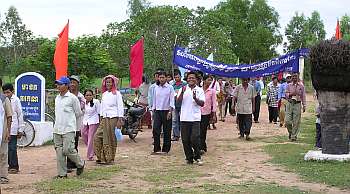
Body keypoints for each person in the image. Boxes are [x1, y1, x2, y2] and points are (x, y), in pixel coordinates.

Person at [53, 76, 85, 178]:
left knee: (68, 150)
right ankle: (62, 174)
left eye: (60, 84)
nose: (58, 86)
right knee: (59, 152)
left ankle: (80, 163)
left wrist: (70, 121)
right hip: (57, 128)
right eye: (57, 84)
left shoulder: (72, 98)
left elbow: (78, 113)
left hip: (69, 129)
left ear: (66, 86)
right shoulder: (57, 98)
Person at [94, 75, 124, 164]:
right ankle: (101, 156)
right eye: (107, 82)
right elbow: (102, 107)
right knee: (97, 137)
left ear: (113, 83)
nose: (108, 84)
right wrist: (101, 117)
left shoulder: (117, 94)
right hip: (104, 118)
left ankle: (109, 158)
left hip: (113, 117)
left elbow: (120, 106)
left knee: (110, 138)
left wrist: (120, 119)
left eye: (110, 82)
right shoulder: (104, 94)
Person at [177, 71, 205, 165]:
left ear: (196, 80)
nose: (191, 79)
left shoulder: (200, 90)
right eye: (189, 78)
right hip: (184, 118)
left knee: (194, 138)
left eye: (193, 78)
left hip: (195, 118)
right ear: (186, 79)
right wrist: (182, 93)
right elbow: (178, 102)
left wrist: (195, 98)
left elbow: (202, 103)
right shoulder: (183, 88)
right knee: (185, 140)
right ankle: (189, 158)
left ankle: (197, 156)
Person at [2, 83, 24, 174]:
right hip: (4, 128)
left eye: (8, 92)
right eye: (4, 93)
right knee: (5, 148)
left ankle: (14, 166)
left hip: (14, 128)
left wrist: (21, 129)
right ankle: (6, 165)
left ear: (12, 91)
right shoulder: (2, 100)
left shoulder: (16, 100)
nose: (6, 94)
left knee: (12, 148)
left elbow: (20, 114)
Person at [151, 71, 175, 154]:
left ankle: (166, 149)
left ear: (166, 78)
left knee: (167, 130)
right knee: (155, 129)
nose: (161, 79)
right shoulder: (156, 87)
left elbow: (172, 100)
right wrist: (153, 110)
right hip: (157, 111)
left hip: (166, 111)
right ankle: (156, 148)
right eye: (160, 77)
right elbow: (154, 99)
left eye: (163, 77)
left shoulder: (170, 88)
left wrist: (170, 111)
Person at [285, 73, 306, 141]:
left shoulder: (301, 86)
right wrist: (291, 94)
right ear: (291, 78)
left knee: (296, 121)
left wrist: (304, 105)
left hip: (297, 104)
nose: (294, 78)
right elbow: (286, 94)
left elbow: (303, 96)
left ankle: (294, 136)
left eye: (295, 76)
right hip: (290, 103)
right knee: (287, 121)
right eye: (293, 76)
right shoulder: (288, 85)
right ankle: (291, 133)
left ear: (297, 77)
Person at [0, 78, 13, 184]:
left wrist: (8, 131)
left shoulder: (4, 99)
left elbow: (9, 116)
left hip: (2, 131)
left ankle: (3, 176)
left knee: (3, 154)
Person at [82, 89, 100, 161]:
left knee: (90, 138)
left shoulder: (96, 102)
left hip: (94, 121)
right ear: (84, 96)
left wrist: (100, 122)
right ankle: (92, 149)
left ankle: (90, 155)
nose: (88, 96)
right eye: (87, 95)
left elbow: (99, 112)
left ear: (93, 96)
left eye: (90, 95)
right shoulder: (83, 103)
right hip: (85, 121)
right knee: (83, 134)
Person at [200, 75, 216, 154]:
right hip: (197, 113)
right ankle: (199, 146)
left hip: (206, 113)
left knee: (203, 130)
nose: (209, 82)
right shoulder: (198, 89)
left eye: (211, 80)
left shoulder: (212, 91)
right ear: (204, 80)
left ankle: (202, 147)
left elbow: (214, 103)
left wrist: (214, 114)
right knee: (197, 131)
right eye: (208, 80)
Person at [171, 71, 186, 141]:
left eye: (178, 77)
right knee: (174, 120)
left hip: (183, 105)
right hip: (174, 105)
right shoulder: (172, 85)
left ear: (181, 76)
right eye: (175, 77)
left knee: (182, 120)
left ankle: (183, 135)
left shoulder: (184, 84)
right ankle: (176, 135)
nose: (177, 78)